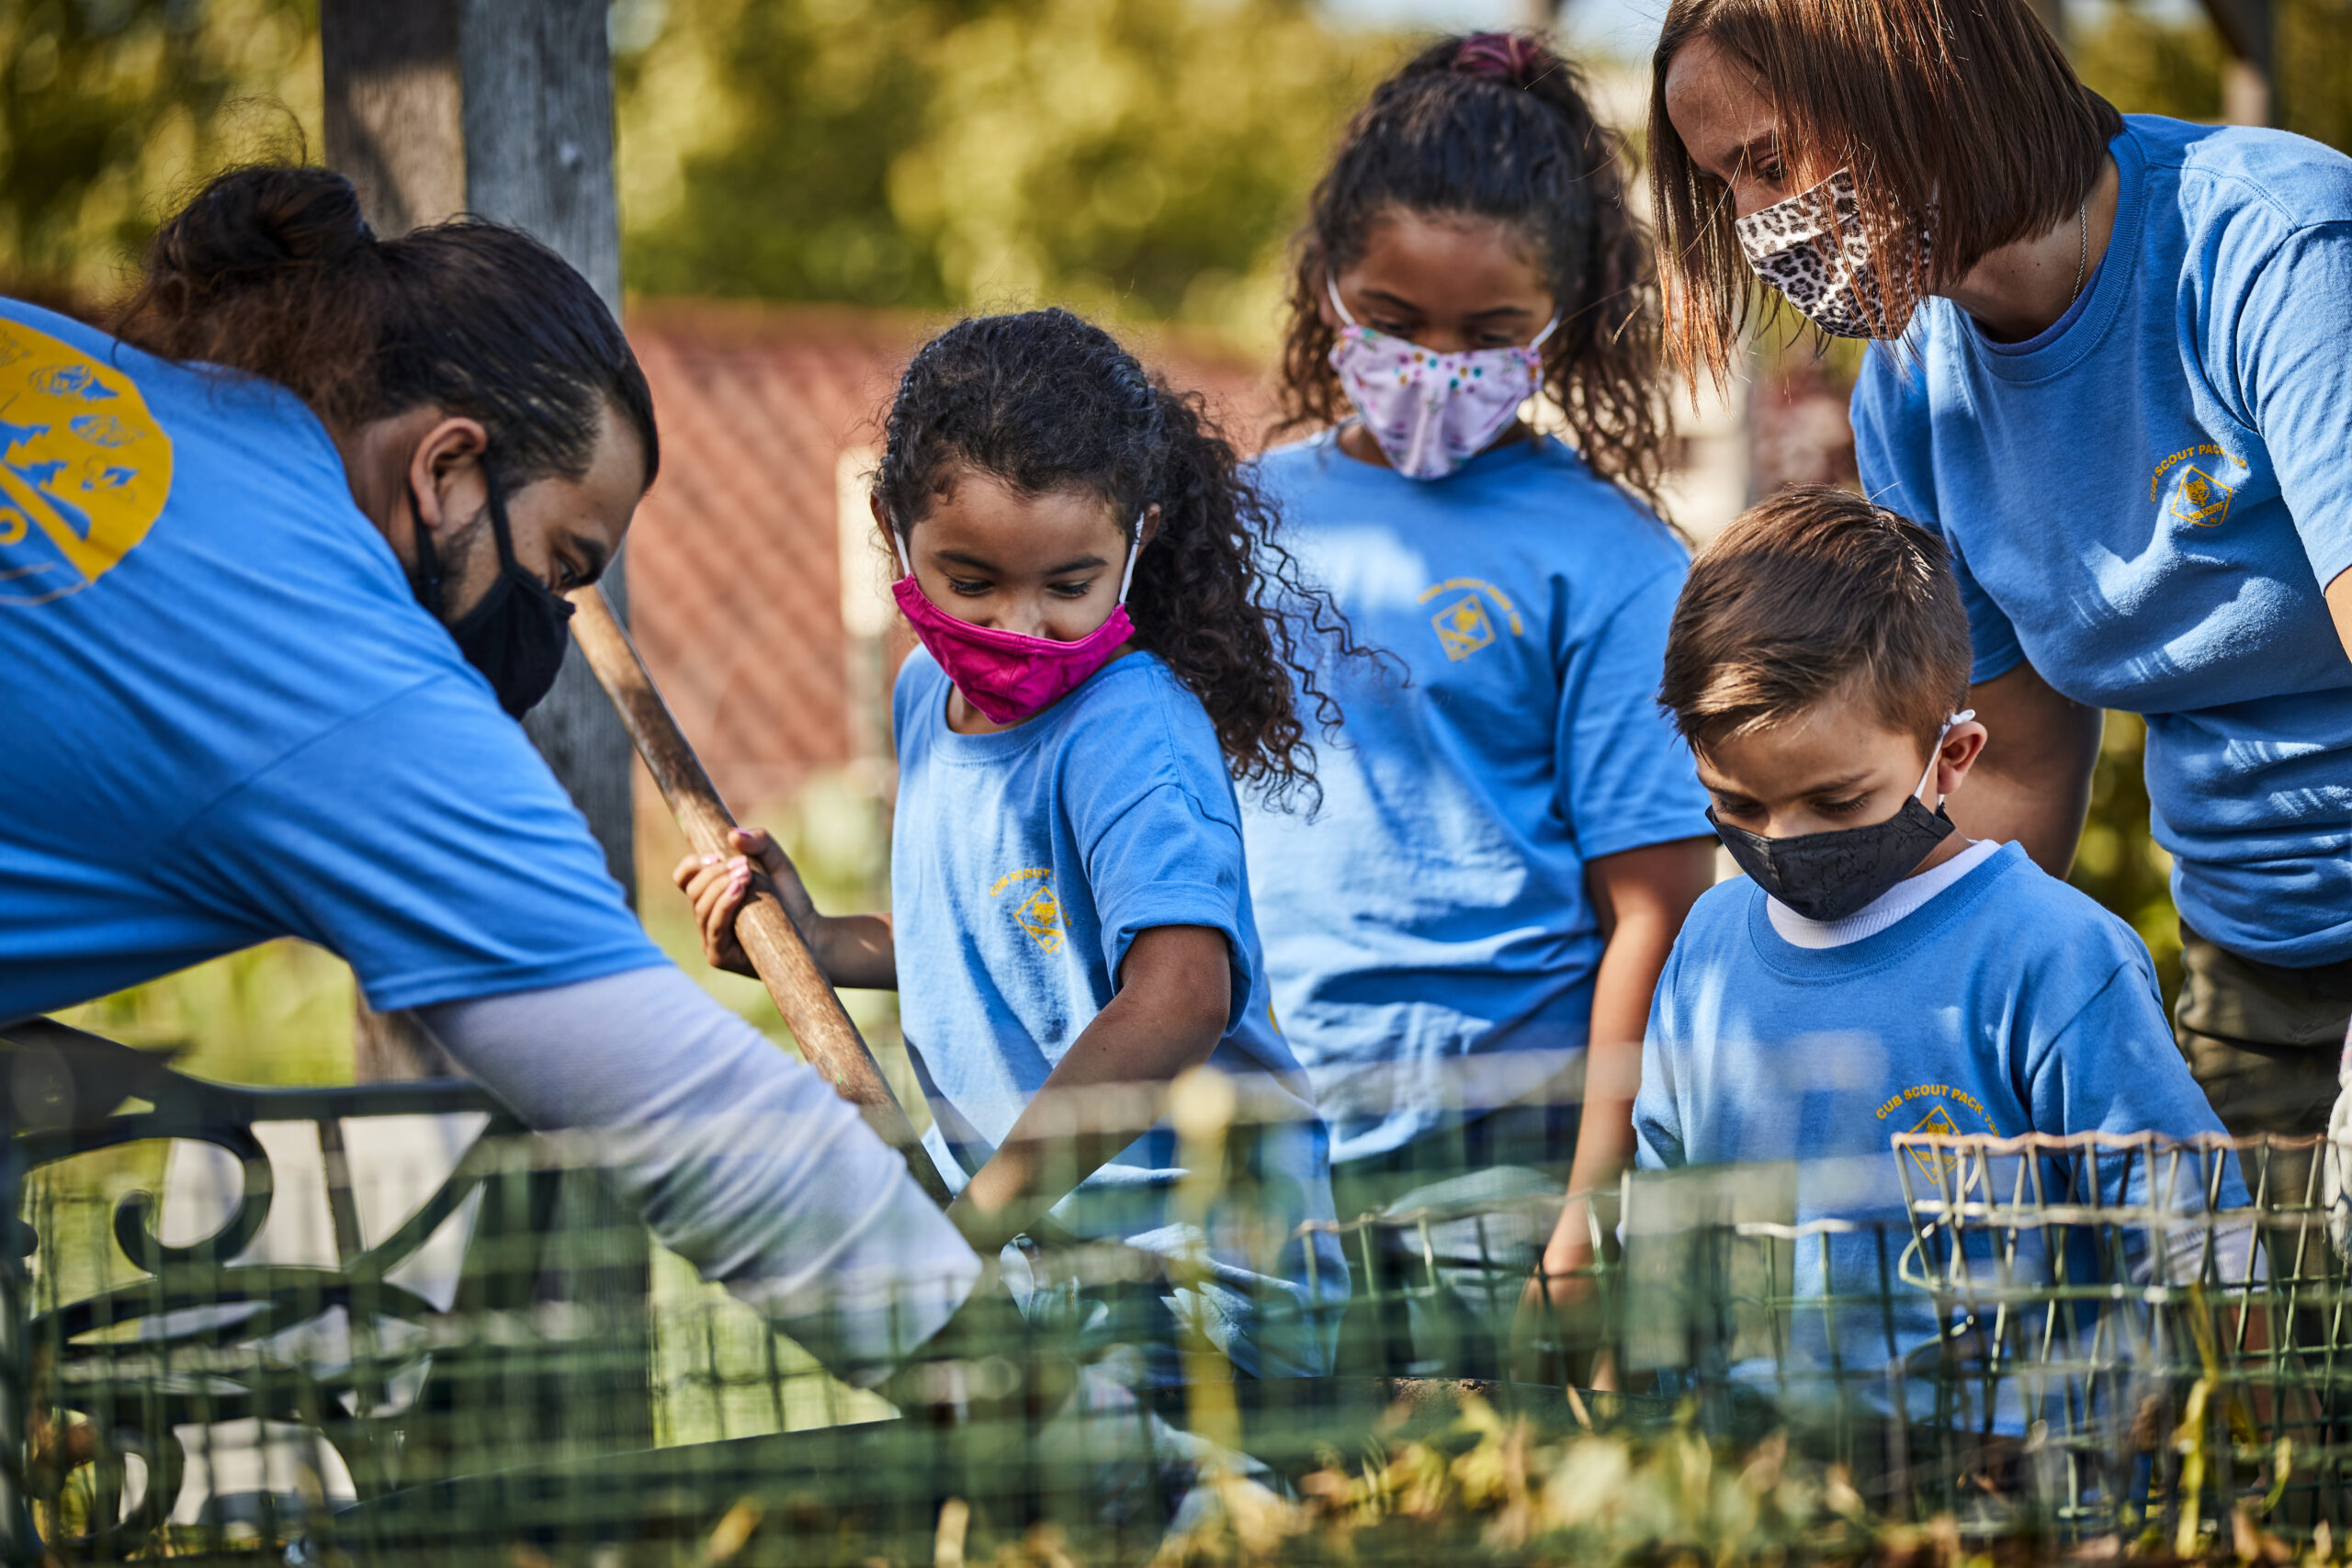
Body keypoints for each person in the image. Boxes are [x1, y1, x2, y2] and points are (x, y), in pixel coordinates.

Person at [0, 166, 978, 1382]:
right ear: (448, 468)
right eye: (565, 563)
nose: (555, 620)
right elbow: (717, 1131)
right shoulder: (351, 674)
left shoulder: (82, 379)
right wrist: (1088, 1441)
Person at [1647, 0, 2352, 1206]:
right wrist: (1913, 1007)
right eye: (1727, 187)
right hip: (2252, 946)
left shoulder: (2267, 243)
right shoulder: (1918, 394)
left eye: (1771, 162)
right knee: (2247, 1358)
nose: (1760, 223)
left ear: (1924, 74)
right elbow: (2010, 768)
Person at [675, 309, 1350, 1382]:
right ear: (893, 531)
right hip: (1044, 1271)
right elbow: (1006, 933)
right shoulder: (919, 700)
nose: (1019, 627)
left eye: (1068, 586)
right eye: (972, 582)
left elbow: (1177, 998)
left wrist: (978, 1214)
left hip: (1197, 1287)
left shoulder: (1129, 732)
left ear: (1137, 541)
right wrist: (816, 939)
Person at [1238, 30, 1713, 1370]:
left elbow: (1655, 907)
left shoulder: (1611, 560)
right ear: (1327, 281)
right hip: (1262, 1145)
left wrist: (1586, 1214)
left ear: (1563, 321)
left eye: (1489, 333)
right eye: (1390, 321)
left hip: (1499, 1157)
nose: (1433, 365)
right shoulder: (1230, 524)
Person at [1635, 487, 2247, 1415]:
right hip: (1763, 1479)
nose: (1785, 842)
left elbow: (2193, 1232)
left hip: (2014, 1492)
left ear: (1951, 756)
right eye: (1739, 806)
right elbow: (1664, 1208)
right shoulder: (1710, 947)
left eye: (1836, 804)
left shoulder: (2053, 956)